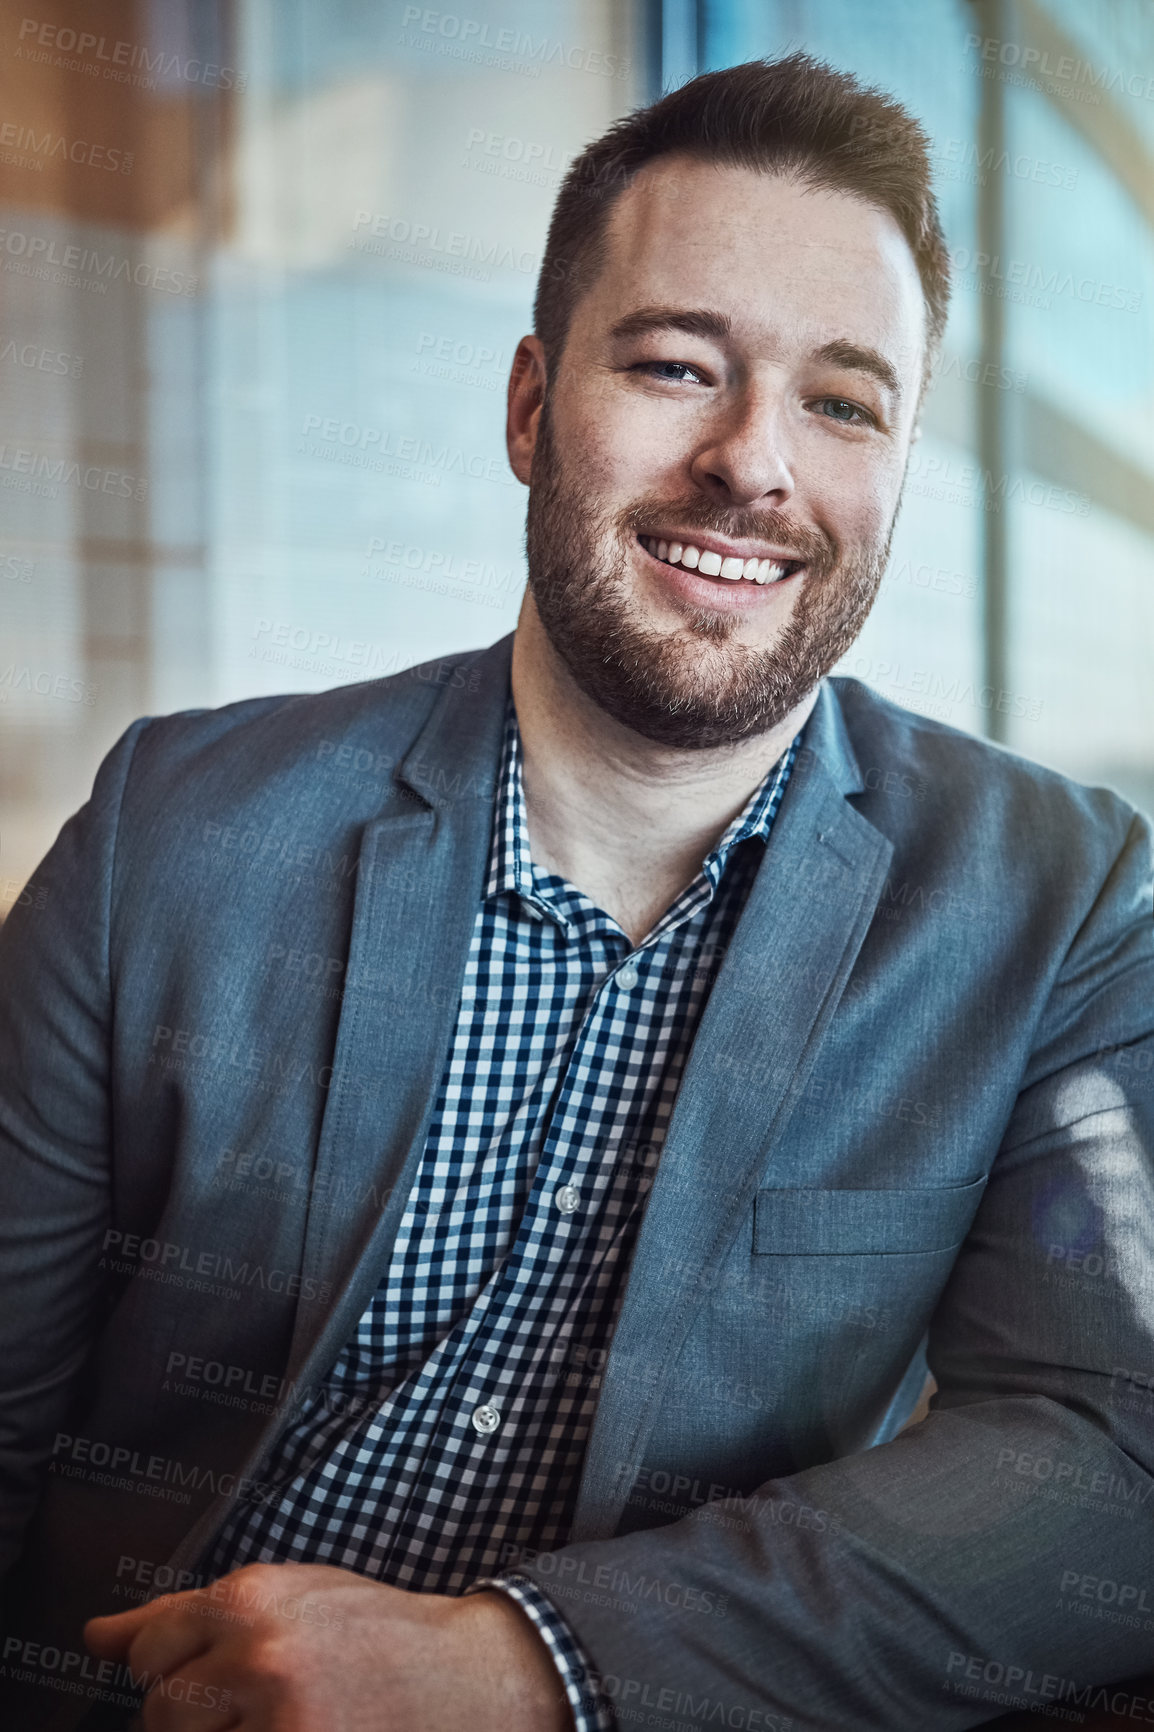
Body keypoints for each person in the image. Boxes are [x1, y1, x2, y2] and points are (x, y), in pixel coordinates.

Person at [1, 51, 1151, 1732]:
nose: (755, 464)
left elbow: (1107, 1452)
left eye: (844, 402)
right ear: (532, 408)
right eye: (680, 366)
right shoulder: (175, 827)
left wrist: (527, 1667)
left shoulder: (1058, 903)